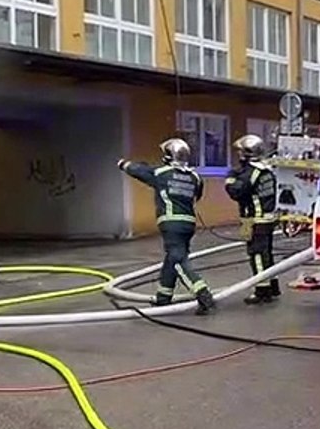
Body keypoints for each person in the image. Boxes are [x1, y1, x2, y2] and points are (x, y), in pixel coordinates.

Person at [117, 138, 216, 315]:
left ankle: (202, 294)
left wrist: (123, 164)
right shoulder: (195, 177)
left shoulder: (161, 173)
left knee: (178, 260)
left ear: (170, 156)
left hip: (171, 222)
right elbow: (197, 196)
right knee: (173, 257)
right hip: (189, 223)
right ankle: (164, 297)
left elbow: (140, 170)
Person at [224, 134, 281, 304]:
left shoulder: (251, 173)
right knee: (267, 254)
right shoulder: (267, 170)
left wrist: (230, 178)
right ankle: (273, 286)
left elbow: (236, 192)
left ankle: (262, 290)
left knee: (256, 254)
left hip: (255, 219)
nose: (238, 155)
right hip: (268, 218)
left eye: (240, 152)